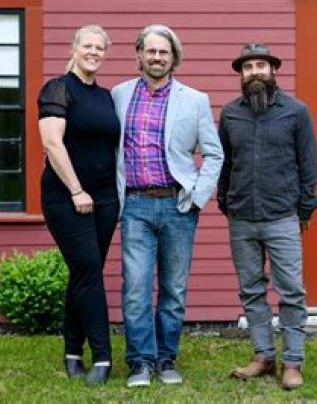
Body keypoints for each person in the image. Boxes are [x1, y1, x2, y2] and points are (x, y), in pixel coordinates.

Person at [111, 24, 223, 387]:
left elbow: (214, 154)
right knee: (136, 289)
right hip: (135, 205)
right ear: (139, 55)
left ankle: (166, 358)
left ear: (174, 58)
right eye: (151, 51)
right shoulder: (119, 95)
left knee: (174, 289)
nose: (157, 57)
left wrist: (198, 197)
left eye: (164, 52)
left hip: (178, 205)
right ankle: (140, 362)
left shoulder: (195, 100)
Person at [217, 43, 317, 390]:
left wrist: (305, 208)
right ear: (241, 74)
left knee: (291, 291)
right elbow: (226, 163)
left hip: (281, 216)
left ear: (273, 70)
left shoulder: (296, 112)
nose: (255, 72)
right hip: (241, 217)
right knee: (251, 290)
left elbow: (308, 164)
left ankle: (292, 362)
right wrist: (225, 200)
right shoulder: (230, 114)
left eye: (261, 65)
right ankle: (263, 356)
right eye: (248, 67)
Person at [37, 25, 120, 386]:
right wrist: (76, 190)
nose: (93, 52)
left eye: (100, 48)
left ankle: (72, 352)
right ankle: (102, 358)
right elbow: (52, 144)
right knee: (88, 272)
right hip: (66, 197)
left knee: (84, 273)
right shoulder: (58, 89)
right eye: (88, 46)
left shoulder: (105, 97)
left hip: (105, 199)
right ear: (74, 48)